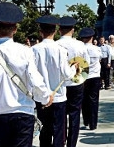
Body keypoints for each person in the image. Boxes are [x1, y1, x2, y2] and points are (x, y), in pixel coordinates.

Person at [0, 2, 54, 147]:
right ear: (16, 29)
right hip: (22, 112)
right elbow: (35, 80)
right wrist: (45, 97)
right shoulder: (25, 51)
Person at [32, 15, 77, 147]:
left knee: (44, 128)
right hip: (58, 96)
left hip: (41, 97)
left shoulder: (33, 50)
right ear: (56, 30)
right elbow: (67, 75)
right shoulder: (60, 50)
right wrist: (73, 68)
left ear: (41, 31)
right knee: (59, 130)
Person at [56, 16, 90, 147]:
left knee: (61, 115)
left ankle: (61, 140)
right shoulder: (80, 45)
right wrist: (82, 80)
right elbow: (86, 64)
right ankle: (72, 143)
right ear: (73, 30)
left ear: (59, 30)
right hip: (76, 82)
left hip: (60, 83)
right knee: (75, 114)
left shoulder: (56, 45)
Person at [80, 28, 102, 130]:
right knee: (94, 100)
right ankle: (93, 123)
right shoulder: (97, 49)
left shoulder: (80, 49)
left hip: (84, 76)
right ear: (92, 38)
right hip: (95, 76)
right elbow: (100, 59)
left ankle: (86, 120)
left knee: (84, 99)